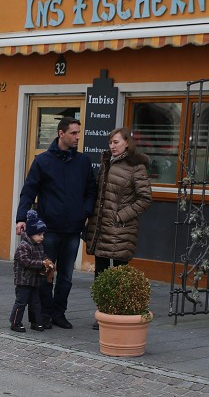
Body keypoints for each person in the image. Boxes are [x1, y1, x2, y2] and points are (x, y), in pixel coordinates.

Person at [16, 116, 97, 329]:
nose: (77, 137)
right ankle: (44, 313)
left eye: (79, 133)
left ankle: (59, 313)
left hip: (72, 229)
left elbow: (91, 191)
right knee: (46, 273)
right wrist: (21, 218)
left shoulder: (83, 162)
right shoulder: (43, 161)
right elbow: (29, 191)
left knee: (66, 277)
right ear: (61, 134)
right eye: (73, 133)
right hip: (48, 229)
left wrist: (84, 212)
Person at [84, 127, 152, 329]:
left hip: (121, 229)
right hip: (102, 228)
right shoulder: (107, 163)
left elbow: (145, 199)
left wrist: (121, 216)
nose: (112, 146)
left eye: (116, 142)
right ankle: (103, 314)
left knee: (120, 274)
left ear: (127, 143)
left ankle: (117, 312)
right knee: (101, 273)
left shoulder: (136, 166)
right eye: (110, 143)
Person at [9, 211, 54, 333]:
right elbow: (26, 261)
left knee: (35, 303)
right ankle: (15, 322)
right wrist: (41, 263)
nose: (42, 237)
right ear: (31, 234)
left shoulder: (39, 245)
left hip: (35, 280)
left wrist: (47, 261)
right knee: (21, 302)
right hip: (23, 281)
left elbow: (42, 255)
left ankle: (36, 322)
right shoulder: (23, 246)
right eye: (39, 234)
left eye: (43, 234)